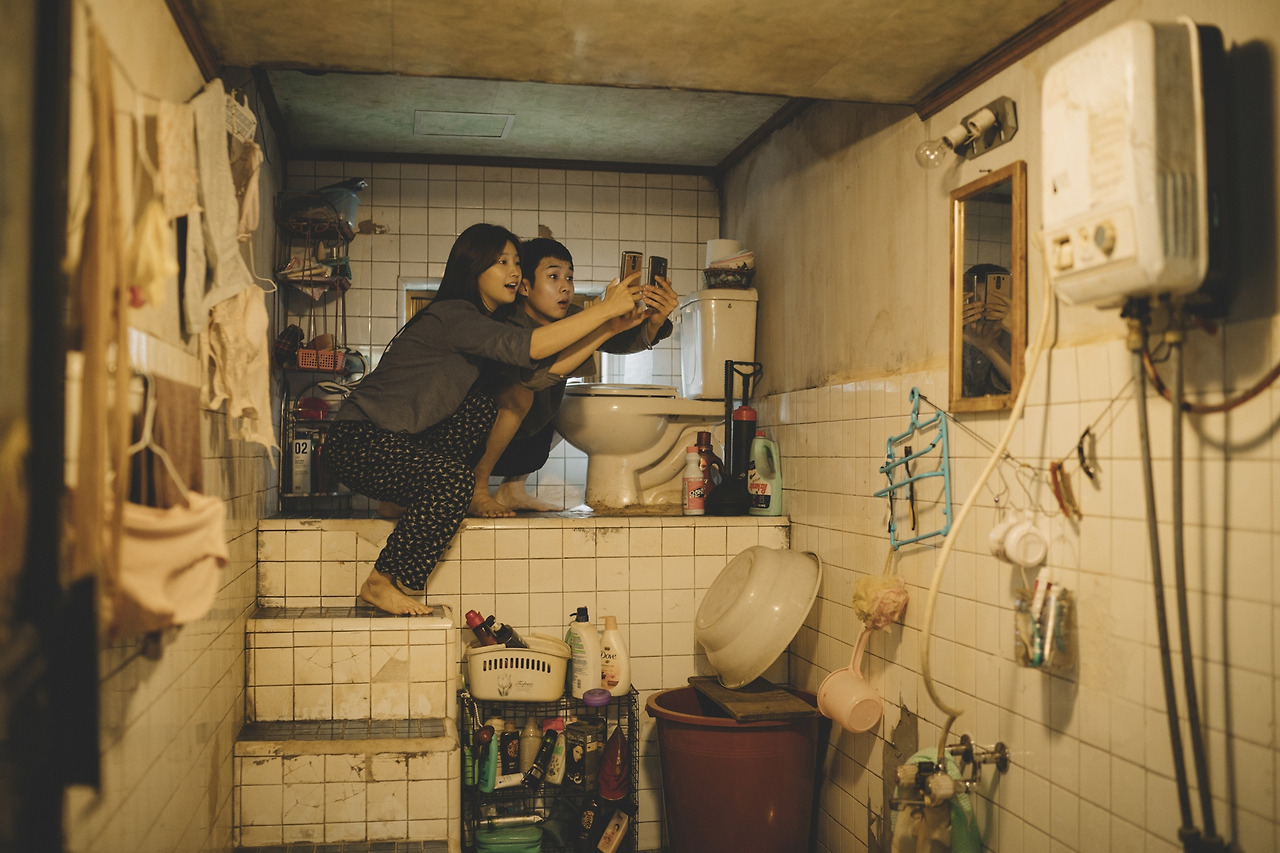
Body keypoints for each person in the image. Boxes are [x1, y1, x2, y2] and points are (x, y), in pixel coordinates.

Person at [324, 223, 642, 615]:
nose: (514, 271)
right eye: (501, 262)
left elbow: (538, 375)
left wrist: (607, 328)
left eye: (516, 262)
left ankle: (394, 503)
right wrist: (604, 309)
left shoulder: (485, 324)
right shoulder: (456, 315)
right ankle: (380, 583)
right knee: (453, 483)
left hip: (400, 440)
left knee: (482, 406)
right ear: (474, 268)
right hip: (359, 440)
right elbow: (531, 347)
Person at [468, 238, 678, 517]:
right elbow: (532, 378)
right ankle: (477, 488)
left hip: (527, 444)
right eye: (554, 276)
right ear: (525, 287)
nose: (566, 286)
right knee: (521, 391)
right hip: (475, 444)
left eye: (569, 277)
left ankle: (512, 488)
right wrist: (604, 317)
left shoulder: (571, 315)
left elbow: (618, 337)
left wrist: (654, 323)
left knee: (571, 401)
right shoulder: (506, 322)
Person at [960, 262, 1013, 397]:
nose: (982, 307)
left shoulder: (1019, 336)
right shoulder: (958, 334)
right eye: (975, 300)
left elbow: (1027, 387)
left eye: (991, 300)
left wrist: (989, 347)